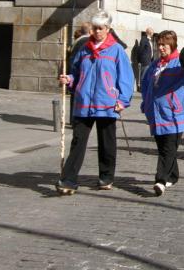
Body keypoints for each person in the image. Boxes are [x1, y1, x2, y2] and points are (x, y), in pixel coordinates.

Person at [56, 11, 133, 195]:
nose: (97, 32)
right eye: (95, 28)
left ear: (108, 29)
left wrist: (122, 100)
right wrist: (69, 79)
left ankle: (106, 176)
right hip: (84, 103)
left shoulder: (116, 51)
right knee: (78, 141)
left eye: (101, 28)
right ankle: (68, 180)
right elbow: (76, 72)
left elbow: (126, 78)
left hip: (107, 103)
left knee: (107, 142)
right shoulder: (84, 48)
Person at [140, 31, 184, 196]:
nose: (161, 48)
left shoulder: (181, 62)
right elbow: (146, 85)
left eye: (164, 44)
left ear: (172, 45)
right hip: (156, 112)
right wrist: (146, 102)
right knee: (163, 147)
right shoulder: (155, 65)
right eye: (159, 44)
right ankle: (173, 174)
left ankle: (161, 180)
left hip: (175, 113)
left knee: (168, 148)